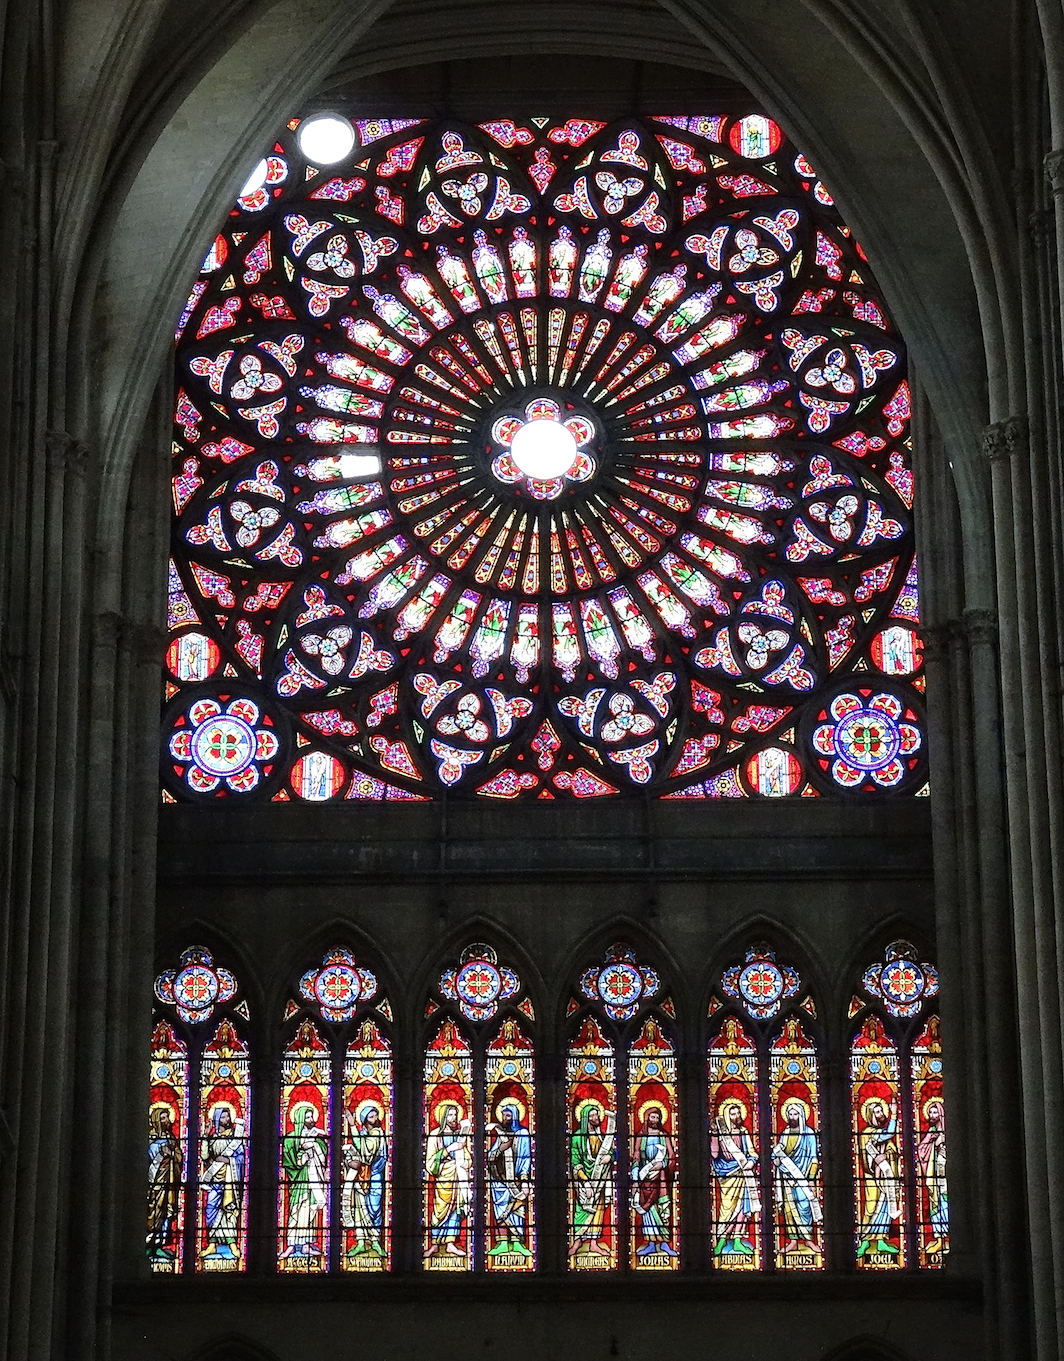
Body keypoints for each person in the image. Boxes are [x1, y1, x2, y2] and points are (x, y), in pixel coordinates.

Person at [710, 1099, 760, 1257]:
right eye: (733, 1114)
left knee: (742, 1207)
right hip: (726, 1174)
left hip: (743, 1172)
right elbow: (714, 1155)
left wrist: (751, 1162)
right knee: (727, 1208)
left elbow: (752, 1152)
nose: (736, 1116)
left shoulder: (743, 1132)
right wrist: (714, 1136)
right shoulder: (721, 1134)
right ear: (726, 1115)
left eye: (738, 1113)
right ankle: (721, 1240)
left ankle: (737, 1240)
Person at [771, 1099, 823, 1255]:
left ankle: (808, 1240)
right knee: (789, 1210)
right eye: (790, 1114)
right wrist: (776, 1159)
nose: (792, 1117)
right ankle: (793, 1241)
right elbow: (777, 1153)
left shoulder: (809, 1134)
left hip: (803, 1178)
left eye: (795, 1114)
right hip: (787, 1178)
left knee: (805, 1207)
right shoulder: (785, 1134)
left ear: (801, 1116)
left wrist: (811, 1179)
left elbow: (814, 1158)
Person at [279, 1105, 328, 1260]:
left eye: (312, 1116)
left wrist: (315, 1146)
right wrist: (300, 1159)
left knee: (310, 1212)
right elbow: (288, 1160)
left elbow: (324, 1155)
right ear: (300, 1119)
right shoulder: (291, 1138)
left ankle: (306, 1245)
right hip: (299, 1180)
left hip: (313, 1179)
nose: (311, 1120)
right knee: (297, 1210)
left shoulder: (317, 1137)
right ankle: (291, 1246)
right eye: (307, 1117)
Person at [424, 1103, 472, 1259]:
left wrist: (467, 1162)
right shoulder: (435, 1135)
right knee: (439, 1211)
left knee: (457, 1209)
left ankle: (450, 1243)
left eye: (455, 1115)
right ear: (444, 1117)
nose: (454, 1118)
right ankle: (434, 1244)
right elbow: (430, 1163)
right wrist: (449, 1149)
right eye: (450, 1115)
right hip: (443, 1177)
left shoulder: (460, 1135)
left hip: (458, 1177)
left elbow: (467, 1155)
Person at [486, 1101, 533, 1258]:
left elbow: (526, 1157)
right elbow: (490, 1157)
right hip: (500, 1181)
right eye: (503, 1115)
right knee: (500, 1212)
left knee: (517, 1210)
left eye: (508, 1115)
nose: (504, 1118)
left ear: (515, 1116)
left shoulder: (523, 1133)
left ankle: (518, 1242)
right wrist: (502, 1147)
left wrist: (524, 1180)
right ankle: (502, 1243)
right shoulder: (501, 1135)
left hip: (517, 1180)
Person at [857, 1096, 902, 1257]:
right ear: (870, 1115)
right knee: (871, 1206)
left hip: (886, 1176)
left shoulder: (880, 1133)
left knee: (885, 1205)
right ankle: (864, 1241)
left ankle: (881, 1240)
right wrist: (894, 1114)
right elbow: (888, 1134)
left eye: (881, 1111)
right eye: (877, 1112)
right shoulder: (867, 1133)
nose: (881, 1114)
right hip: (871, 1177)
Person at [341, 1104, 388, 1260]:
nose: (376, 1119)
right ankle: (361, 1242)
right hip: (361, 1177)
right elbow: (358, 1150)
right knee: (360, 1207)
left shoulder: (377, 1133)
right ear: (365, 1120)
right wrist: (349, 1161)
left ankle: (376, 1241)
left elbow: (366, 1152)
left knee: (374, 1207)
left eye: (376, 1116)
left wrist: (352, 1125)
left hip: (375, 1176)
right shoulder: (364, 1134)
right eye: (371, 1116)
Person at [569, 1103, 615, 1259]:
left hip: (600, 1178)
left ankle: (594, 1243)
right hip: (584, 1181)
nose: (596, 1118)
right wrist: (586, 1182)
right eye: (592, 1115)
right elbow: (575, 1162)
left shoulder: (602, 1136)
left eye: (597, 1114)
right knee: (582, 1210)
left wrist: (610, 1157)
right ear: (585, 1119)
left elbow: (612, 1152)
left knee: (599, 1210)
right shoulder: (577, 1137)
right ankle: (577, 1242)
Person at [630, 1106, 678, 1258]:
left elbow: (671, 1156)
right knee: (649, 1211)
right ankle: (651, 1244)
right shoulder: (641, 1136)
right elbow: (636, 1156)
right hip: (645, 1179)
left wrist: (662, 1164)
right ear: (647, 1118)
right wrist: (636, 1177)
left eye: (657, 1118)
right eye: (652, 1117)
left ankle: (664, 1244)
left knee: (662, 1209)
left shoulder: (664, 1136)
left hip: (661, 1177)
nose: (655, 1120)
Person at [200, 1106, 246, 1262]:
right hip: (215, 1182)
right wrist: (205, 1136)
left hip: (230, 1180)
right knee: (211, 1210)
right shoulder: (213, 1138)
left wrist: (229, 1160)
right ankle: (212, 1244)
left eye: (228, 1116)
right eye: (224, 1117)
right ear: (217, 1119)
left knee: (229, 1212)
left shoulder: (235, 1138)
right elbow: (205, 1157)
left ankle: (233, 1244)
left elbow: (242, 1158)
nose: (227, 1120)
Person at [147, 1107, 182, 1263]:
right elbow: (147, 1156)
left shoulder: (171, 1138)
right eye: (163, 1118)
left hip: (170, 1181)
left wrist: (172, 1154)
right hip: (155, 1181)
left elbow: (179, 1157)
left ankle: (160, 1244)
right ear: (156, 1120)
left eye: (167, 1117)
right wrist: (160, 1151)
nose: (167, 1121)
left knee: (168, 1211)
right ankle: (149, 1244)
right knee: (154, 1209)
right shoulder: (150, 1137)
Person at [916, 1097, 948, 1255]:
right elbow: (921, 1149)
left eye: (935, 1112)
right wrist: (932, 1143)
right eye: (930, 1113)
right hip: (934, 1175)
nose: (932, 1116)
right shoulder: (931, 1132)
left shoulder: (948, 1132)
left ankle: (948, 1239)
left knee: (946, 1203)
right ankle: (939, 1239)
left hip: (946, 1177)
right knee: (936, 1205)